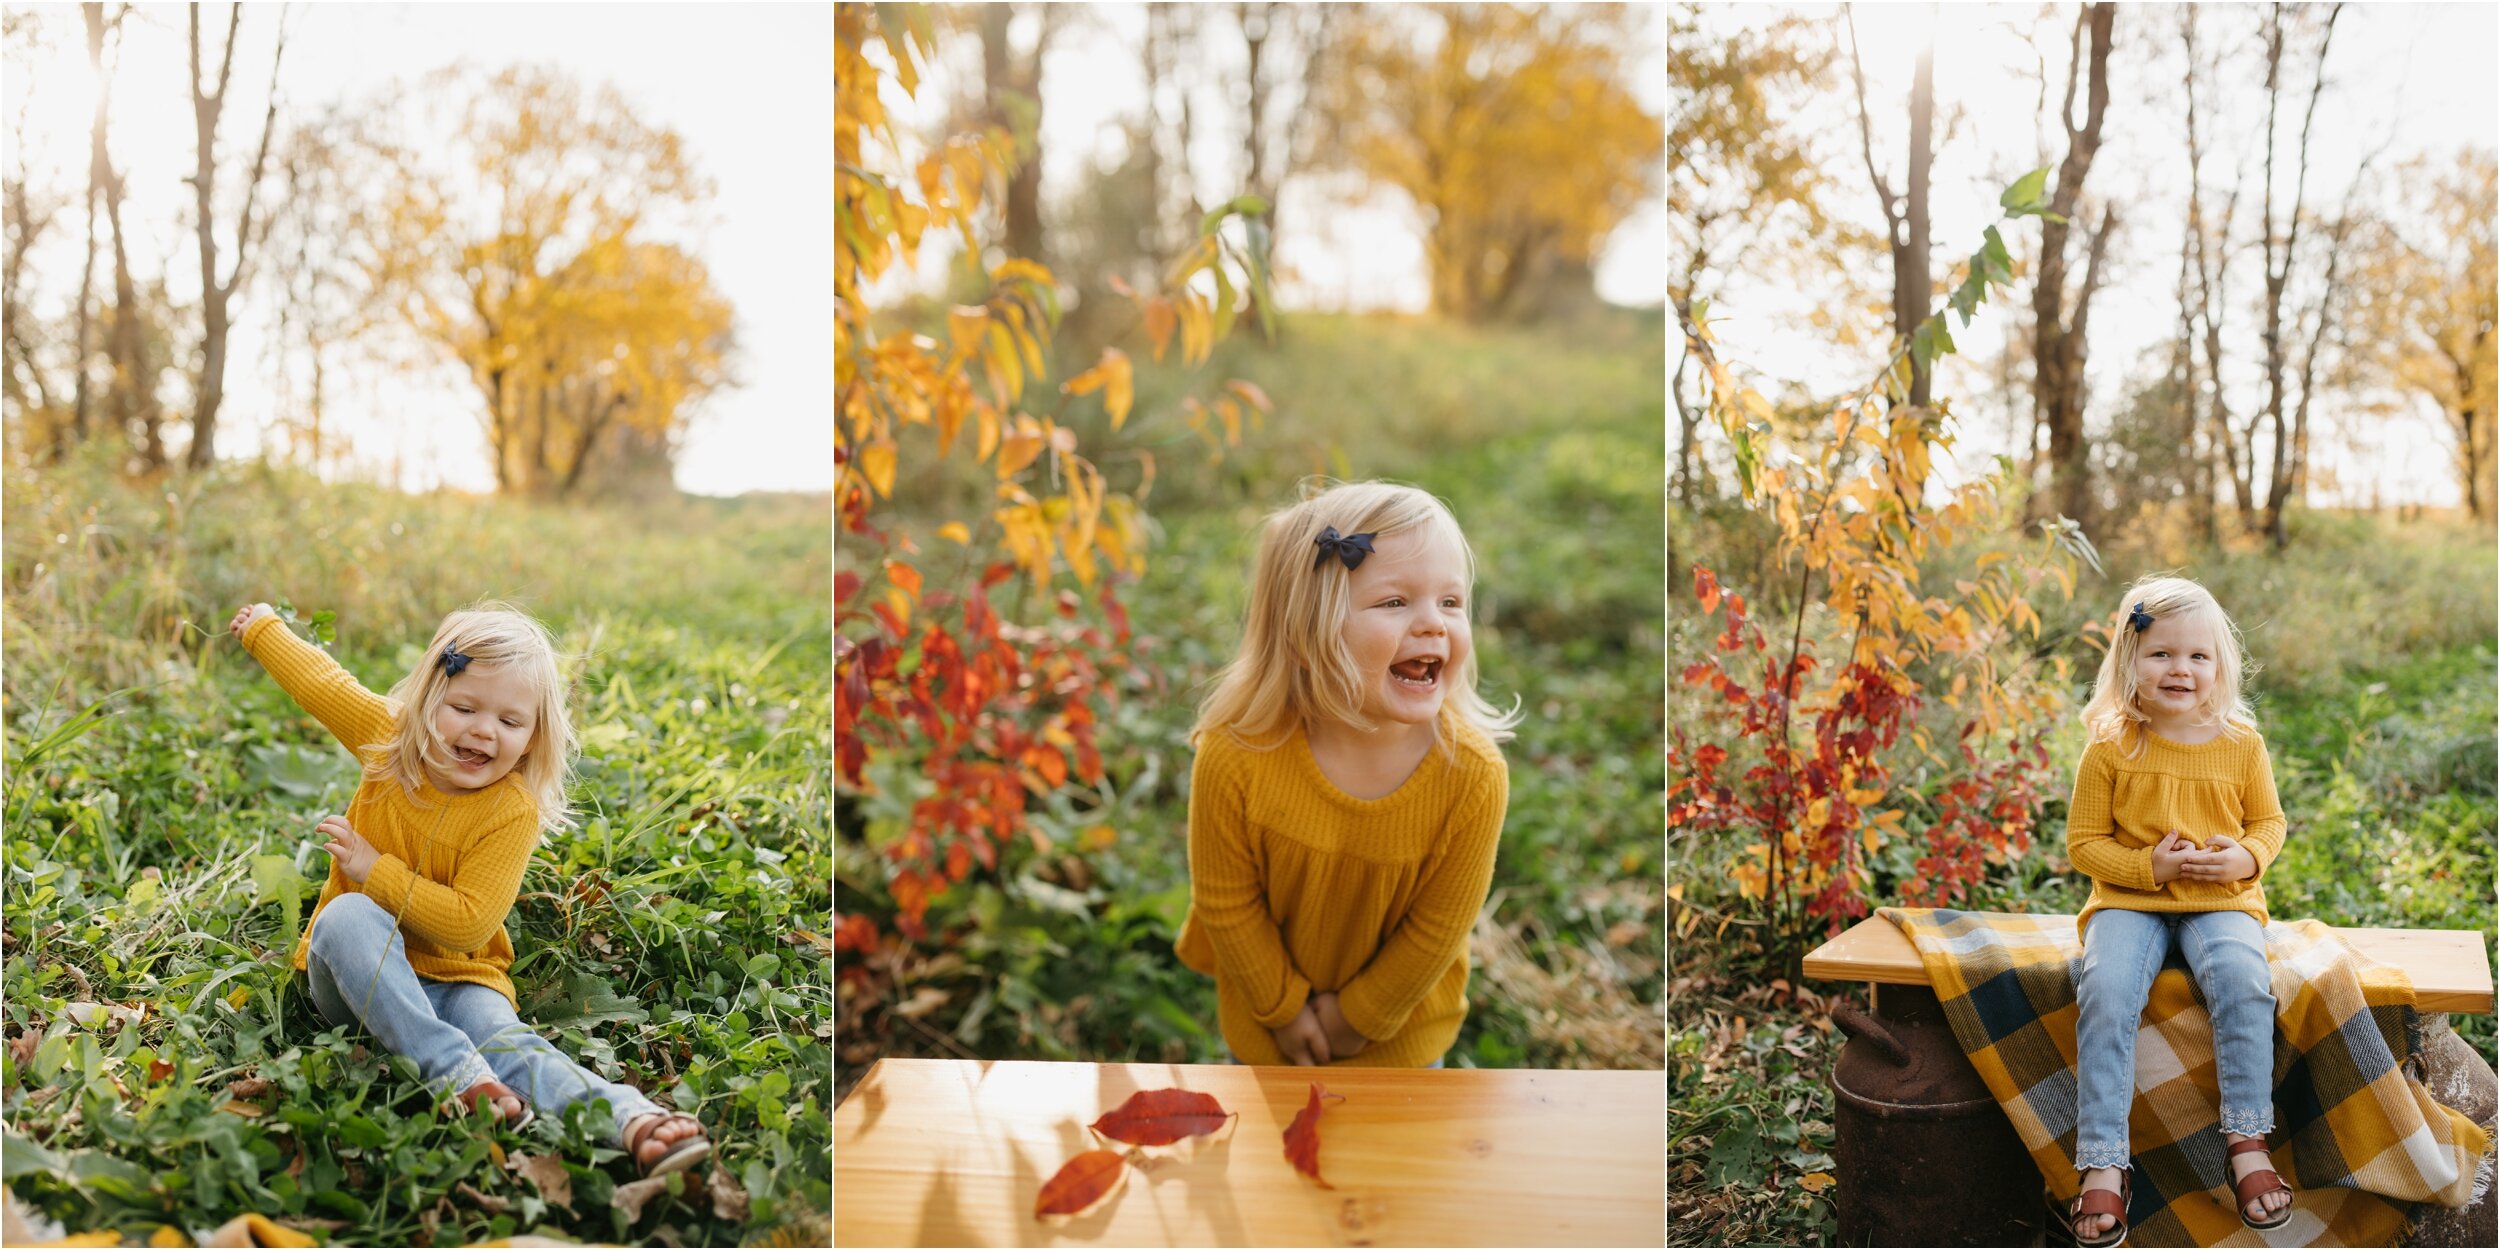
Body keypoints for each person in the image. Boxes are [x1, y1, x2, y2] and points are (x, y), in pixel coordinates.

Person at [228, 600, 711, 1178]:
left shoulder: (511, 811)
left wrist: (372, 864)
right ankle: (455, 1070)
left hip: (459, 981)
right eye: (464, 708)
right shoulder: (387, 739)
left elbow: (470, 923)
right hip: (355, 990)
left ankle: (632, 1122)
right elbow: (321, 683)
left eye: (510, 722)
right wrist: (261, 629)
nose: (484, 730)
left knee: (508, 1043)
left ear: (533, 738)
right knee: (347, 917)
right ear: (429, 699)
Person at [1174, 480, 1515, 1069]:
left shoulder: (1471, 777)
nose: (1433, 624)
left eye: (1451, 602)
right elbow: (1226, 903)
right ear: (1308, 636)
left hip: (1395, 1040)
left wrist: (1354, 1022)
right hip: (1269, 1030)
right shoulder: (1235, 756)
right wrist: (1284, 1012)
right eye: (1395, 602)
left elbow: (1437, 929)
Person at [2062, 576, 2293, 1243]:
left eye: (2197, 656)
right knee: (2104, 988)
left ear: (2219, 666)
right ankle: (2104, 1159)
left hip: (2220, 900)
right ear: (2130, 661)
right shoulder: (2112, 746)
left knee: (2245, 982)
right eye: (2161, 654)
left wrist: (2245, 859)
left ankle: (2247, 1138)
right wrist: (2147, 868)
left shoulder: (2241, 745)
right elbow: (2084, 844)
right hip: (2130, 903)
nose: (2180, 669)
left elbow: (2269, 824)